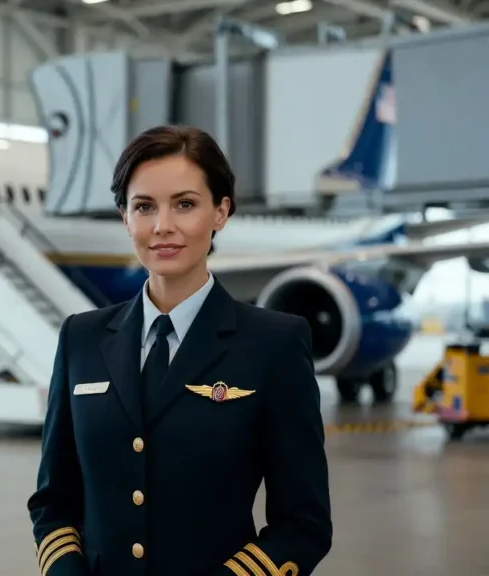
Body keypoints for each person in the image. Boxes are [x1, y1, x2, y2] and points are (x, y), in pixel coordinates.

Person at [27, 125, 332, 576]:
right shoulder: (81, 339)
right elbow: (53, 501)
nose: (162, 226)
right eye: (144, 206)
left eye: (185, 204)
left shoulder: (274, 344)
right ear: (124, 217)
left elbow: (304, 523)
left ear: (221, 212)